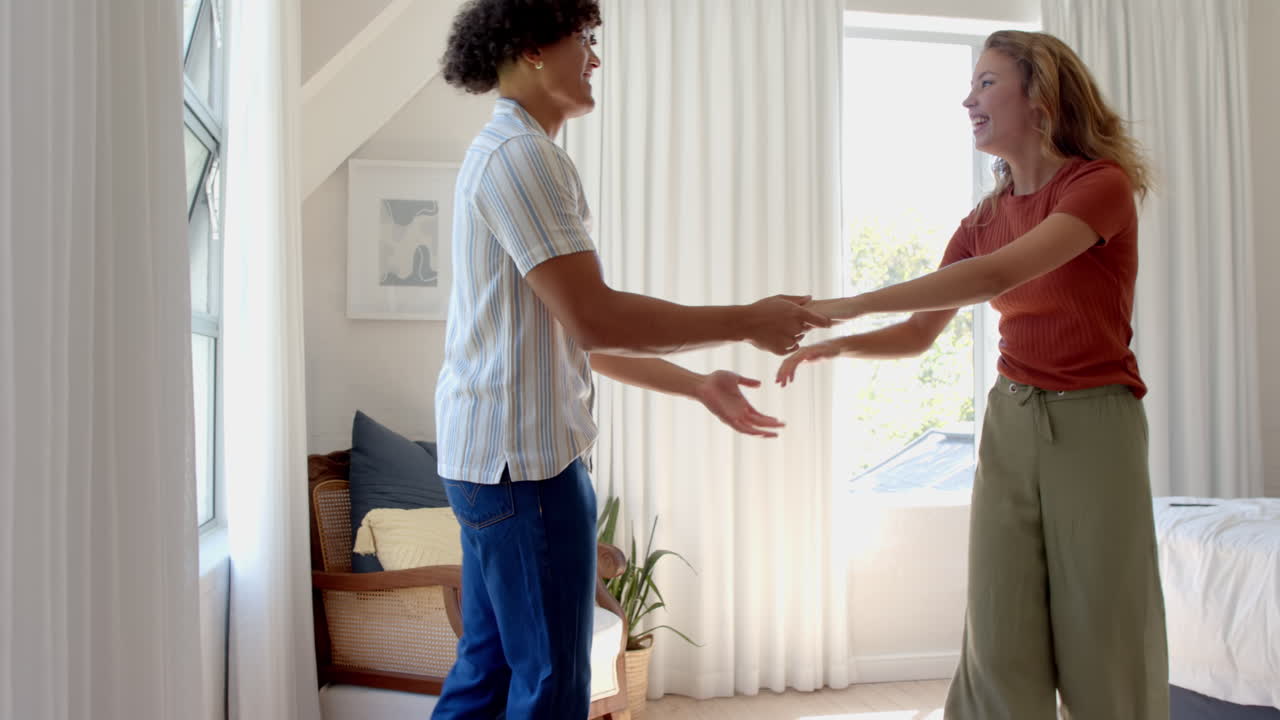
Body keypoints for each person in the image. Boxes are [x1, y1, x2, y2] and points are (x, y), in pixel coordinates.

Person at [432, 1, 831, 717]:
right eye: (584, 38)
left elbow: (568, 334)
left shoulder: (508, 154)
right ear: (529, 46)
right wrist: (746, 319)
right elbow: (593, 317)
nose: (594, 56)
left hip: (495, 466)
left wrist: (696, 384)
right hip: (525, 471)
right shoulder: (523, 159)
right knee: (549, 688)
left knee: (486, 678)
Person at [778, 30, 1168, 720]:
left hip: (1095, 424)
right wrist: (834, 346)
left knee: (1102, 633)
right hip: (1011, 422)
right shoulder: (985, 216)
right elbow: (919, 331)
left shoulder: (1096, 186)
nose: (968, 99)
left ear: (1040, 96)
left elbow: (998, 274)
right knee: (999, 632)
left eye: (986, 83)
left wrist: (842, 307)